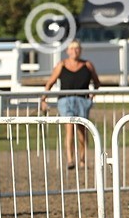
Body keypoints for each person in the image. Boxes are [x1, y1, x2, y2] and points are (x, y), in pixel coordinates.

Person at [40, 40, 102, 169]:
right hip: (65, 101)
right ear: (67, 51)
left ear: (80, 50)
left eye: (77, 49)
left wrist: (91, 97)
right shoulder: (61, 65)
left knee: (82, 130)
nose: (74, 51)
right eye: (72, 49)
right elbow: (50, 82)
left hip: (82, 101)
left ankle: (82, 159)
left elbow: (97, 83)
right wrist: (43, 99)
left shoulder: (88, 65)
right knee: (69, 130)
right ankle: (70, 159)